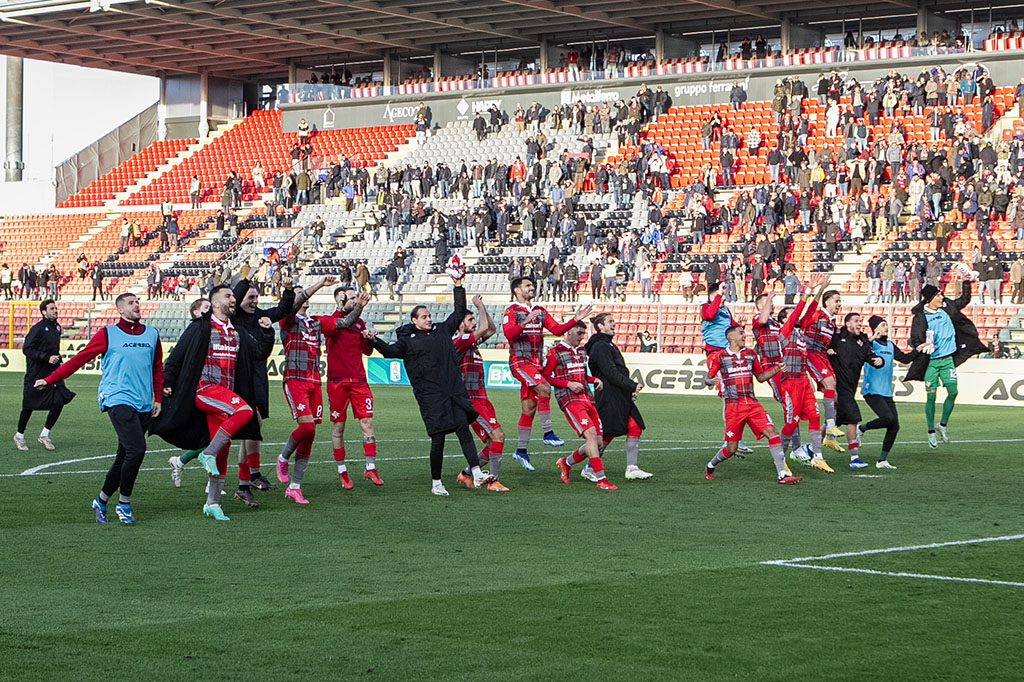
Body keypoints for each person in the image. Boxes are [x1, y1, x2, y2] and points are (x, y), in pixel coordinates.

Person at [36, 293, 163, 524]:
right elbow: (80, 359)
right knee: (137, 449)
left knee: (124, 456)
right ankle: (124, 503)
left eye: (137, 302)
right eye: (131, 303)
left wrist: (158, 397)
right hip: (116, 397)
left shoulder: (152, 334)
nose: (136, 305)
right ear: (120, 310)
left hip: (143, 401)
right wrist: (51, 378)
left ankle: (101, 500)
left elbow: (157, 367)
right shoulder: (108, 334)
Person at [366, 278, 494, 496]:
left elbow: (458, 312)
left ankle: (476, 471)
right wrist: (374, 341)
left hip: (453, 392)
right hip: (431, 396)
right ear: (414, 320)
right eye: (424, 317)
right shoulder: (407, 340)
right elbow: (390, 352)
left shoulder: (441, 330)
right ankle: (436, 482)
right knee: (438, 439)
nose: (428, 319)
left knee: (463, 428)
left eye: (429, 316)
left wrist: (458, 286)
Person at [153, 285, 266, 521]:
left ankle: (212, 503)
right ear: (214, 303)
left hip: (224, 394)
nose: (233, 299)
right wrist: (168, 381)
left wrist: (266, 332)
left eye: (233, 296)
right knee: (244, 411)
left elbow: (259, 352)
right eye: (228, 296)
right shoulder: (201, 327)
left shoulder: (236, 330)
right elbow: (176, 357)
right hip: (204, 388)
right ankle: (208, 453)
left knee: (224, 450)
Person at [503, 277, 591, 470]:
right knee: (544, 387)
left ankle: (521, 451)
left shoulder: (540, 311)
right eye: (527, 285)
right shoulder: (512, 311)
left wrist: (575, 319)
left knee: (529, 408)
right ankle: (548, 433)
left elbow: (557, 330)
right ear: (517, 290)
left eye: (532, 285)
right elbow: (508, 334)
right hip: (520, 362)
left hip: (536, 364)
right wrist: (525, 322)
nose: (532, 287)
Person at [703, 325, 802, 485]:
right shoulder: (720, 357)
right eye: (741, 333)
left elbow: (760, 377)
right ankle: (710, 465)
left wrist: (776, 369)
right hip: (733, 407)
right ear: (731, 337)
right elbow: (707, 378)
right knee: (731, 448)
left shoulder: (751, 354)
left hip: (752, 404)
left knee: (773, 433)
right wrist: (710, 381)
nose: (745, 336)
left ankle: (782, 475)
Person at [229, 276, 297, 500]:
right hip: (239, 376)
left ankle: (250, 476)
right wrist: (246, 279)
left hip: (258, 376)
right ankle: (244, 479)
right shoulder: (234, 316)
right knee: (250, 424)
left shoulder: (260, 317)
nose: (254, 301)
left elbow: (283, 309)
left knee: (252, 428)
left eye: (256, 297)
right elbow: (234, 297)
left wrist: (288, 290)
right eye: (250, 297)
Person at [274, 277, 338, 504]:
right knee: (306, 426)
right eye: (300, 294)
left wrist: (359, 305)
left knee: (310, 434)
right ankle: (283, 458)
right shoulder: (287, 319)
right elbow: (297, 300)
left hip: (314, 381)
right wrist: (319, 284)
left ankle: (295, 486)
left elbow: (343, 323)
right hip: (295, 379)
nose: (304, 297)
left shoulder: (315, 322)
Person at [312, 287, 382, 488]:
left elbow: (366, 352)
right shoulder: (331, 321)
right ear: (340, 300)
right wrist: (357, 307)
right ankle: (342, 470)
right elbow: (344, 322)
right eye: (351, 298)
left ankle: (370, 467)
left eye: (355, 297)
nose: (355, 300)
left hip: (359, 380)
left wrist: (370, 338)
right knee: (339, 426)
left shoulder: (360, 323)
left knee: (367, 422)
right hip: (337, 382)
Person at [905, 284, 986, 448]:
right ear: (931, 299)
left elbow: (965, 299)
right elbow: (915, 338)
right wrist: (921, 346)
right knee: (931, 397)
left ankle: (942, 424)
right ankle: (930, 431)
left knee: (953, 392)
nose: (942, 297)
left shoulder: (947, 308)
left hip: (948, 360)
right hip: (931, 362)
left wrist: (966, 282)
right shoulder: (921, 317)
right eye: (938, 295)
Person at [546, 323, 617, 491]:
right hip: (569, 399)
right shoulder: (556, 352)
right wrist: (568, 384)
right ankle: (601, 479)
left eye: (583, 334)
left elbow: (583, 375)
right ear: (569, 331)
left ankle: (566, 462)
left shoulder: (581, 351)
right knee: (591, 436)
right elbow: (546, 376)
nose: (581, 337)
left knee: (598, 443)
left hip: (587, 397)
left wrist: (593, 380)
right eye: (579, 333)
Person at [452, 293, 510, 492]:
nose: (474, 323)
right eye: (470, 320)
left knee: (493, 442)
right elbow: (485, 328)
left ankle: (466, 473)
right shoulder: (460, 341)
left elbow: (491, 329)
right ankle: (493, 482)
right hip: (472, 401)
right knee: (498, 436)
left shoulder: (473, 344)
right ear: (460, 324)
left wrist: (482, 308)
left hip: (482, 399)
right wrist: (478, 307)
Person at [585, 312, 653, 480]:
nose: (614, 324)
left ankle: (632, 468)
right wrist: (631, 386)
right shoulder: (600, 346)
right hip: (608, 395)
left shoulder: (607, 344)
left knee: (635, 425)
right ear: (600, 326)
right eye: (610, 321)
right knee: (607, 433)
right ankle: (585, 466)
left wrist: (627, 391)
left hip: (618, 394)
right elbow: (610, 372)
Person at [776, 277, 832, 472]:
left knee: (815, 416)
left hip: (803, 380)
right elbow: (800, 311)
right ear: (784, 319)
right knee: (791, 422)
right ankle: (780, 457)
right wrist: (807, 290)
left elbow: (810, 310)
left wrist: (820, 290)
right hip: (790, 382)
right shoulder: (785, 331)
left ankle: (818, 457)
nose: (795, 315)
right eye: (790, 314)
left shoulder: (799, 332)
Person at [15, 300, 75, 451]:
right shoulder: (38, 328)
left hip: (53, 372)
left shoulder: (57, 327)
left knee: (59, 401)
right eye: (52, 308)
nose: (55, 310)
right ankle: (19, 435)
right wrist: (46, 357)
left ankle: (44, 434)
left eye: (56, 308)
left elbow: (53, 349)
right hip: (36, 373)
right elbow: (27, 349)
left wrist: (57, 360)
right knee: (29, 406)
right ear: (44, 312)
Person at [701, 282, 753, 455]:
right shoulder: (706, 307)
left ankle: (734, 439)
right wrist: (718, 295)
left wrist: (741, 327)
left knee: (734, 396)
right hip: (716, 354)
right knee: (728, 398)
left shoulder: (725, 310)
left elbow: (732, 329)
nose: (723, 297)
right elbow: (709, 315)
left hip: (728, 355)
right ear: (712, 295)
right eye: (721, 294)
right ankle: (730, 440)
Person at [827, 312, 883, 469]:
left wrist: (879, 361)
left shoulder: (862, 341)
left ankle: (811, 449)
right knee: (853, 417)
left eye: (860, 321)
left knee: (834, 421)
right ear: (847, 323)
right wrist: (827, 351)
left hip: (850, 387)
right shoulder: (837, 337)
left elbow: (870, 356)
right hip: (838, 386)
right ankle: (854, 458)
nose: (860, 324)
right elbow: (821, 347)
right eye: (856, 321)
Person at [858, 315, 915, 469]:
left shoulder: (890, 345)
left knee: (894, 426)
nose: (886, 327)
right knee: (888, 418)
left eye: (886, 324)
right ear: (875, 328)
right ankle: (861, 429)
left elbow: (905, 359)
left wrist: (919, 350)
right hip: (872, 390)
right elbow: (859, 351)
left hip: (886, 392)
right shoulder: (870, 344)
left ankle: (882, 460)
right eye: (882, 325)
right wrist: (871, 339)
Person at [166, 298, 210, 487]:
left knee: (217, 436)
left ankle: (180, 461)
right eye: (206, 307)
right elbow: (174, 359)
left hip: (216, 387)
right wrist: (169, 383)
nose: (210, 310)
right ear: (196, 313)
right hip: (198, 390)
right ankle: (213, 483)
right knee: (216, 436)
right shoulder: (194, 331)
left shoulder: (218, 331)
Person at [801, 277, 845, 452]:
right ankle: (831, 425)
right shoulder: (817, 314)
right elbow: (810, 308)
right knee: (830, 384)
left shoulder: (832, 322)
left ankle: (828, 437)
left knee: (835, 395)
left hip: (821, 355)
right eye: (836, 301)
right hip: (810, 354)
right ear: (826, 302)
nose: (839, 304)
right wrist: (820, 289)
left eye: (840, 301)